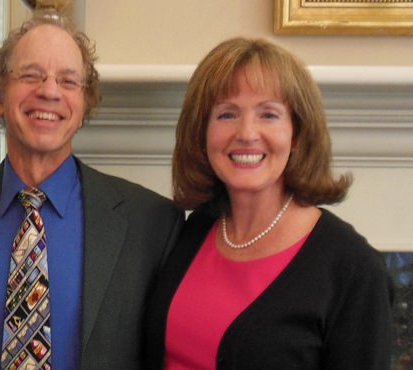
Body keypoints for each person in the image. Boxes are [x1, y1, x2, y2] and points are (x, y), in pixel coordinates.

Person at [0, 11, 184, 370]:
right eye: (30, 75)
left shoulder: (152, 223)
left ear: (84, 105)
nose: (49, 91)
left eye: (68, 81)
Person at [144, 37, 394, 369]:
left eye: (269, 114)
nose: (247, 133)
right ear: (201, 132)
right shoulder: (193, 230)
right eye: (227, 114)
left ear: (298, 133)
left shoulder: (354, 270)